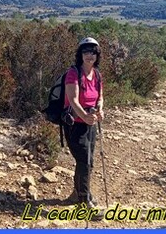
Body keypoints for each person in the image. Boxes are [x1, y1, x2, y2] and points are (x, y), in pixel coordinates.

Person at [63, 37, 105, 209]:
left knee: (89, 161)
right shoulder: (73, 73)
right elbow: (73, 100)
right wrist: (84, 116)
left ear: (97, 55)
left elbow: (100, 97)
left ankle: (77, 193)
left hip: (90, 123)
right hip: (75, 124)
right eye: (86, 52)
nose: (90, 55)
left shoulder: (97, 74)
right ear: (80, 54)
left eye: (93, 52)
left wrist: (100, 110)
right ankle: (83, 200)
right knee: (84, 161)